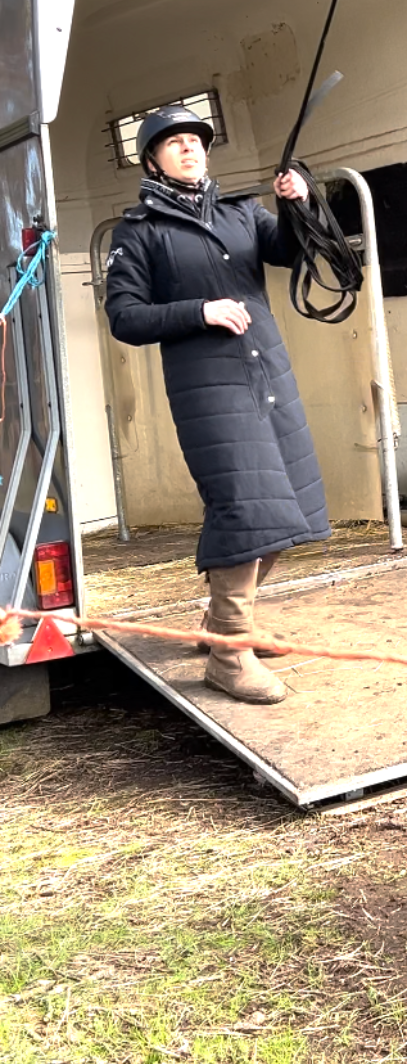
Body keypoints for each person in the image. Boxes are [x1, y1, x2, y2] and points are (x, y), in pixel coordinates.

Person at [104, 104, 330, 706]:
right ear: (151, 158)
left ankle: (223, 623)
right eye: (173, 142)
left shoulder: (240, 213)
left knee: (288, 507)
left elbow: (287, 252)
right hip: (208, 387)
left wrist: (297, 202)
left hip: (268, 373)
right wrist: (198, 312)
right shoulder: (139, 231)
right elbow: (124, 318)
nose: (188, 149)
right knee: (245, 508)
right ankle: (230, 655)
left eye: (196, 140)